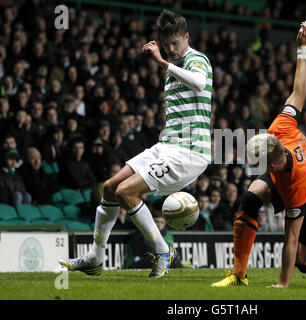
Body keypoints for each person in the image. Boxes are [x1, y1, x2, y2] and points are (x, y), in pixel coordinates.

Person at [59, 10, 212, 278]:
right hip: (168, 145)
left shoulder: (196, 59)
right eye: (167, 46)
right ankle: (95, 258)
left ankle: (162, 250)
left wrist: (163, 62)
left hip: (190, 152)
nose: (172, 50)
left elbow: (200, 83)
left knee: (127, 192)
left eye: (176, 43)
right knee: (109, 188)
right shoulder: (172, 67)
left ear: (187, 37)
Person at [212, 22, 306, 289]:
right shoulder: (279, 128)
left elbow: (290, 237)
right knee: (250, 197)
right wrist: (302, 49)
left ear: (274, 164)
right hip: (295, 168)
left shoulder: (295, 185)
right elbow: (298, 93)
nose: (254, 166)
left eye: (260, 164)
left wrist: (282, 285)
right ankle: (238, 275)